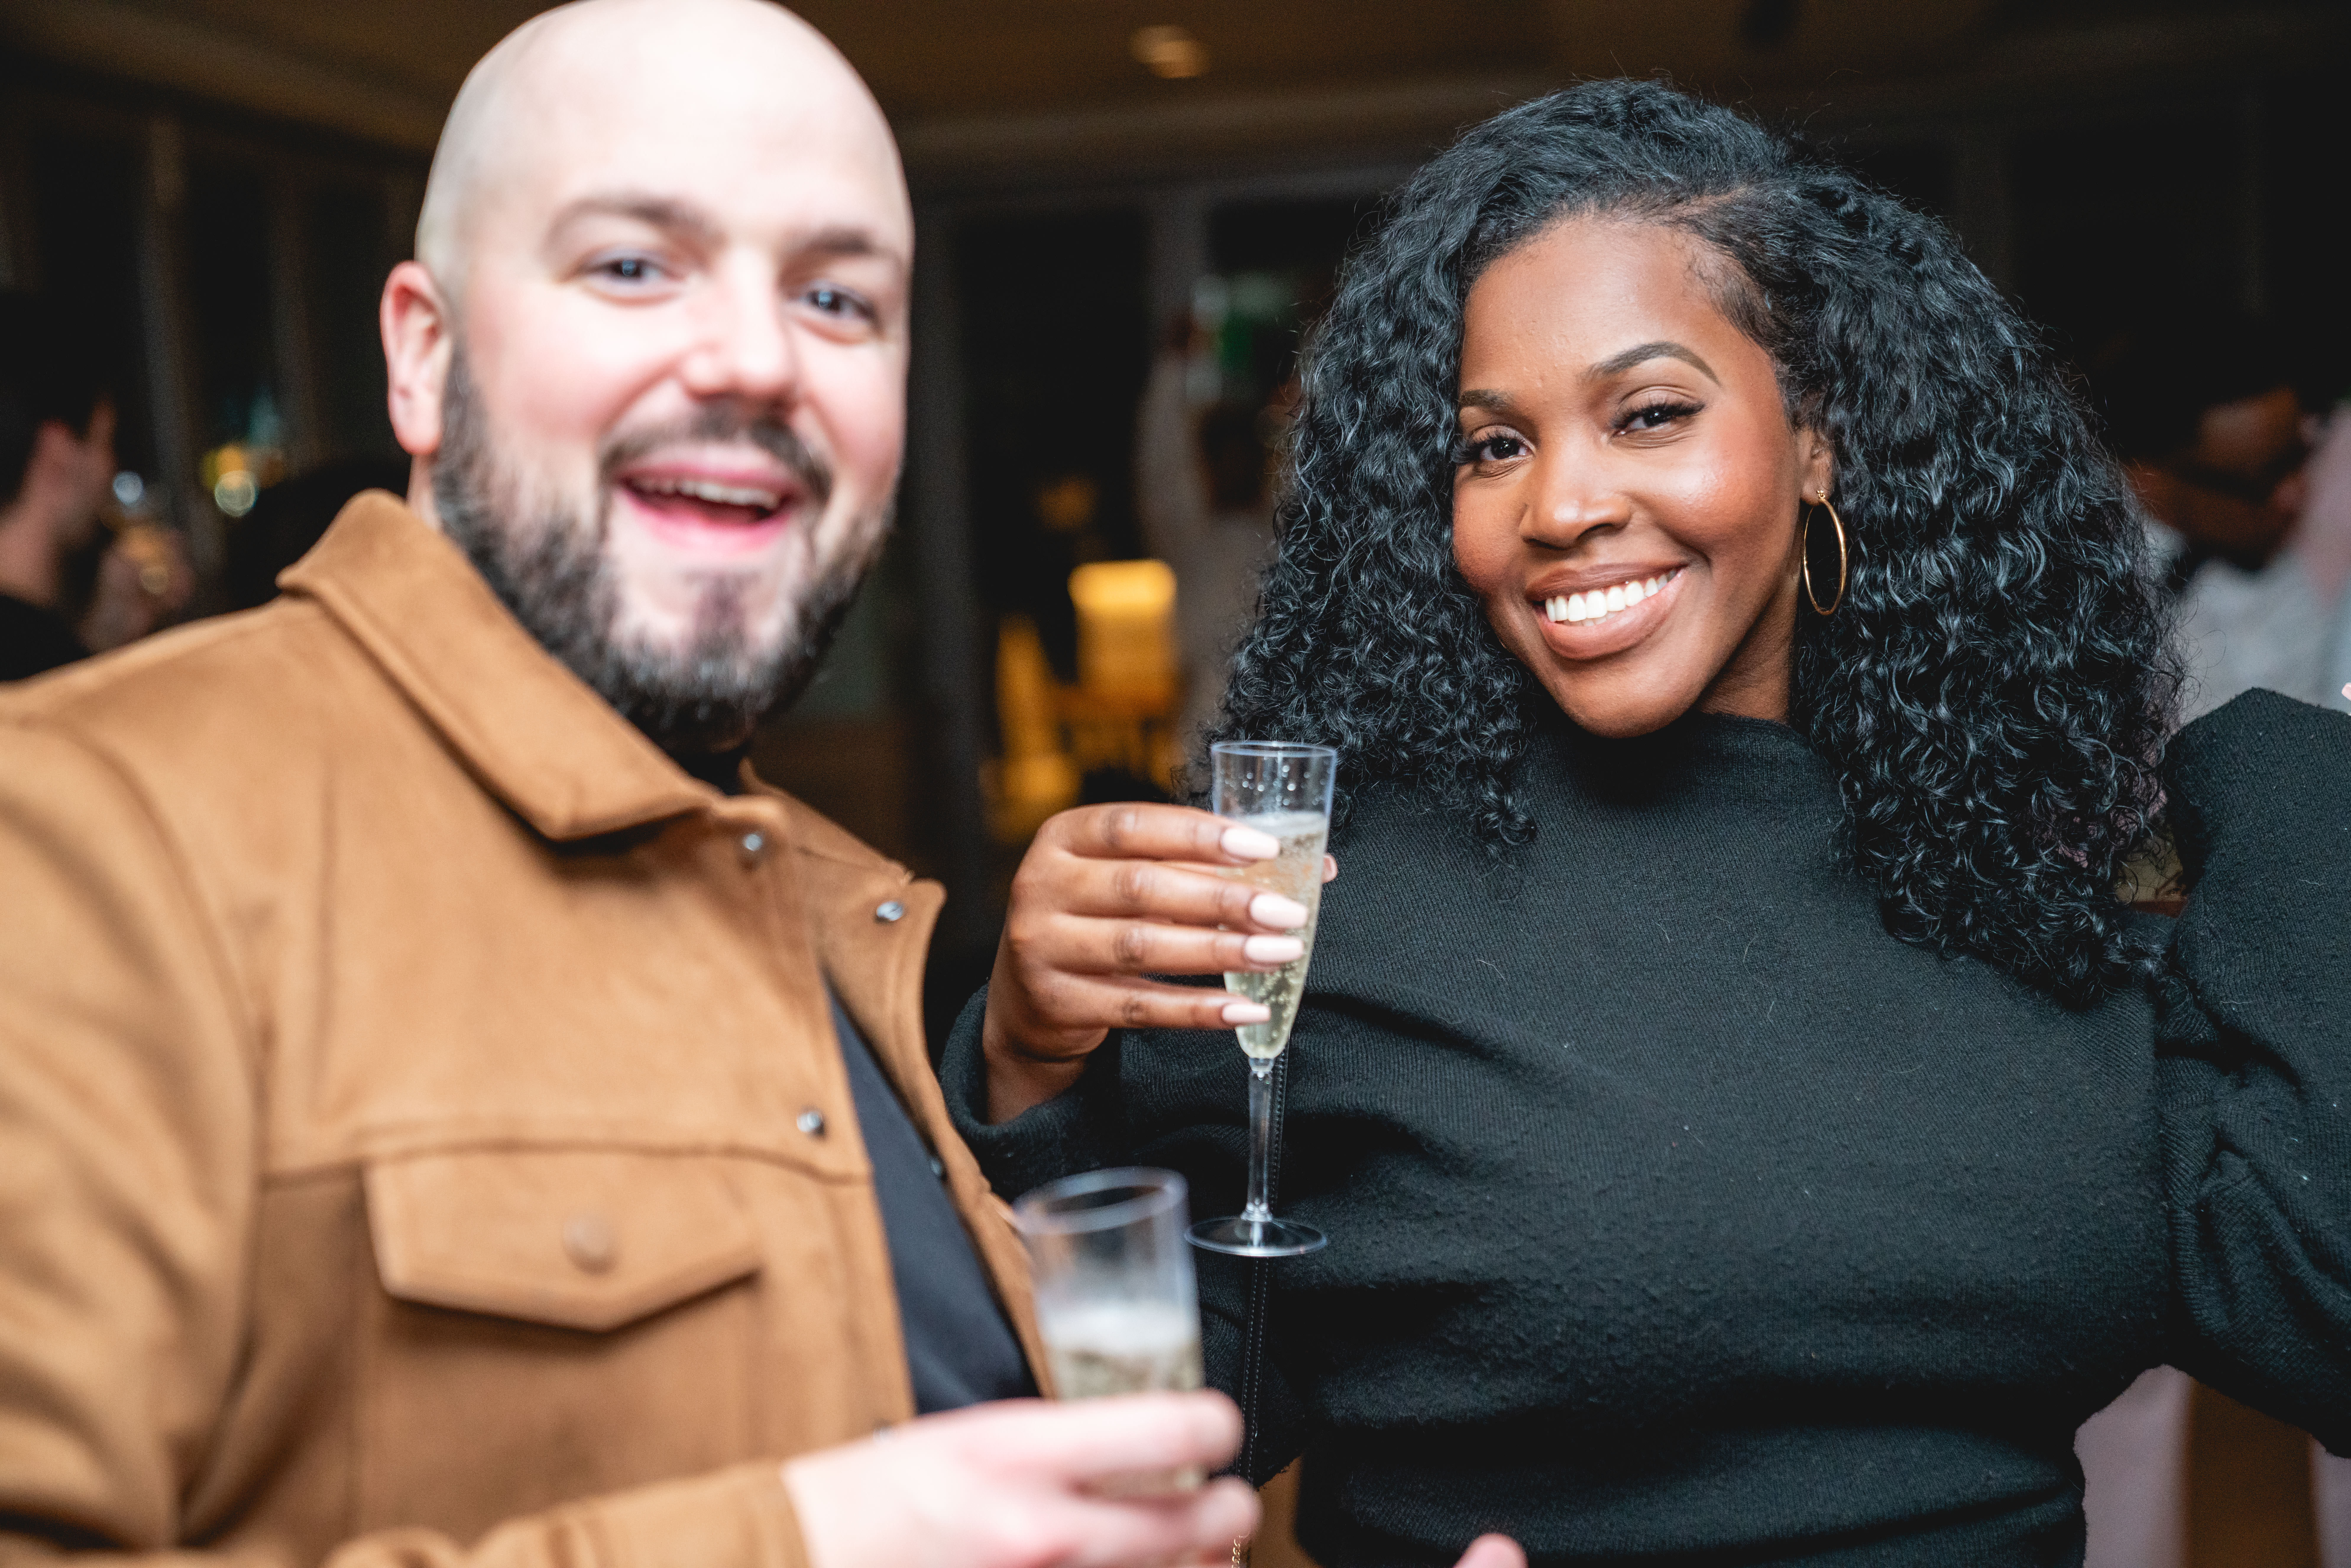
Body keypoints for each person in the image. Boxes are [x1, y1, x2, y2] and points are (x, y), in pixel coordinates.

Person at [948, 80, 2350, 1567]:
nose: (1559, 504)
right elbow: (1133, 1441)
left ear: (1819, 437)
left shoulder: (2026, 884)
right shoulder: (1339, 902)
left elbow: (2315, 1304)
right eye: (1492, 446)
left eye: (1651, 412)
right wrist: (1029, 1062)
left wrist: (2276, 771)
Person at [0, 5, 1281, 1568]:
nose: (754, 358)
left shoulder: (826, 899)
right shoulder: (80, 830)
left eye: (835, 296)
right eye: (632, 265)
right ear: (425, 354)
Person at [2096, 319, 2348, 721]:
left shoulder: (2307, 530)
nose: (2293, 495)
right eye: (2258, 483)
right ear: (2148, 480)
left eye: (2297, 459)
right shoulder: (2105, 602)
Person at [0, 290, 188, 679]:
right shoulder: (41, 665)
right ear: (57, 457)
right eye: (105, 441)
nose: (111, 468)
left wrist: (103, 637)